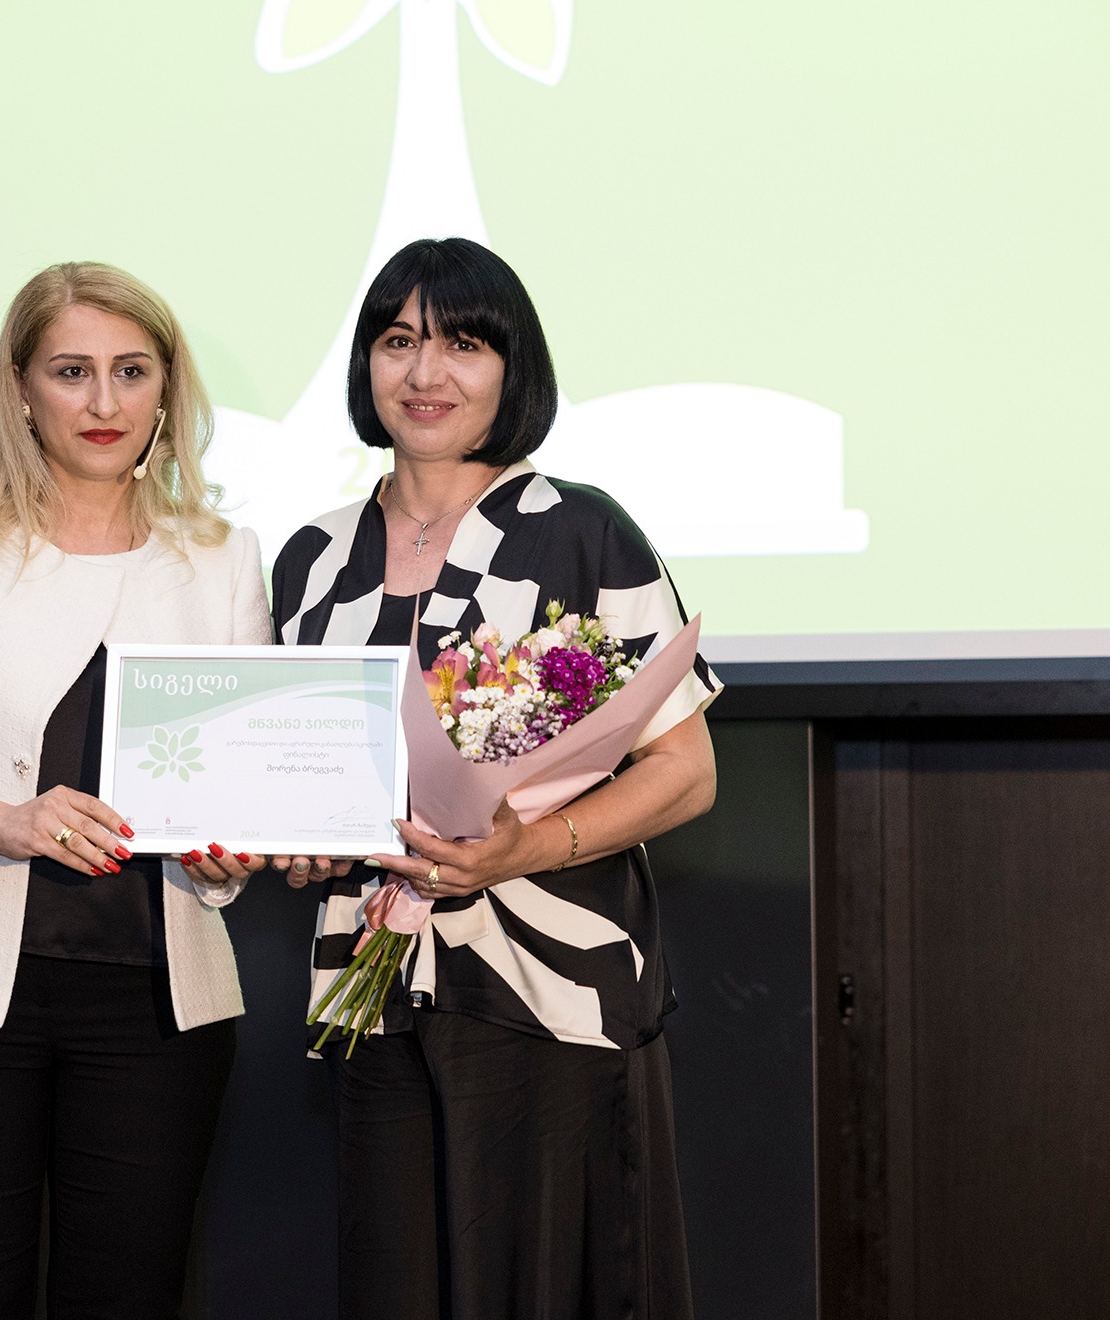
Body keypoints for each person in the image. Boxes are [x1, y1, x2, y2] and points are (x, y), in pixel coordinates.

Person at [270, 237, 721, 1320]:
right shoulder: (312, 559)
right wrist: (294, 841)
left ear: (513, 369)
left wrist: (522, 849)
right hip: (369, 994)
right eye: (398, 341)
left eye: (463, 344)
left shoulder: (583, 531)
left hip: (549, 992)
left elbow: (685, 770)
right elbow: (301, 777)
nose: (425, 373)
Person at [0, 262, 269, 1319]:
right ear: (21, 389)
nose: (104, 401)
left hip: (158, 1013)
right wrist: (2, 821)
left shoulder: (222, 557)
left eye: (132, 371)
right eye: (72, 371)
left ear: (167, 389)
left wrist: (229, 853)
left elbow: (235, 797)